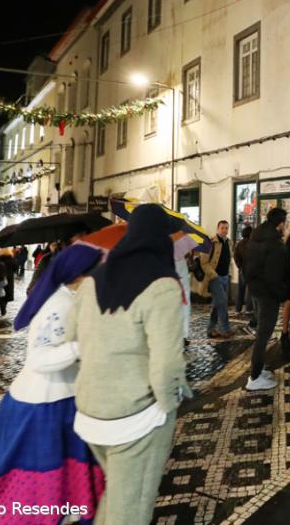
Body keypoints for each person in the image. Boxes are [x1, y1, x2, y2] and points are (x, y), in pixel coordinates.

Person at [72, 205, 189, 525]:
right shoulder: (162, 284)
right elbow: (166, 363)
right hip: (136, 414)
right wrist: (166, 407)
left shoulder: (93, 280)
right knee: (131, 511)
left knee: (116, 497)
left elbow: (74, 340)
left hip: (90, 411)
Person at [0, 243, 107, 522]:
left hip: (61, 402)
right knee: (44, 483)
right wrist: (82, 347)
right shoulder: (58, 304)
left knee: (66, 480)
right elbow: (40, 358)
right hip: (42, 408)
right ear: (79, 275)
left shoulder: (70, 299)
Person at [243, 208, 289, 391]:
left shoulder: (256, 237)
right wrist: (282, 293)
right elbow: (275, 274)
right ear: (280, 223)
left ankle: (259, 369)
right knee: (264, 333)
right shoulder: (274, 243)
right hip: (268, 293)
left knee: (262, 332)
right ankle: (254, 377)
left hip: (255, 290)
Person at [193, 220, 233, 339]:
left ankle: (210, 329)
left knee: (217, 304)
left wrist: (229, 273)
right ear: (217, 229)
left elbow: (229, 258)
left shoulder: (229, 242)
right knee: (223, 301)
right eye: (222, 228)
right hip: (214, 277)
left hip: (225, 277)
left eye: (226, 228)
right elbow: (204, 262)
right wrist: (213, 274)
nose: (225, 230)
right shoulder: (210, 242)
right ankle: (225, 329)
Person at [233, 225, 254, 319]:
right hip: (251, 270)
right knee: (249, 291)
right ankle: (248, 310)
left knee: (240, 290)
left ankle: (237, 309)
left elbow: (235, 257)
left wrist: (239, 266)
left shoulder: (239, 244)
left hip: (242, 270)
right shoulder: (253, 243)